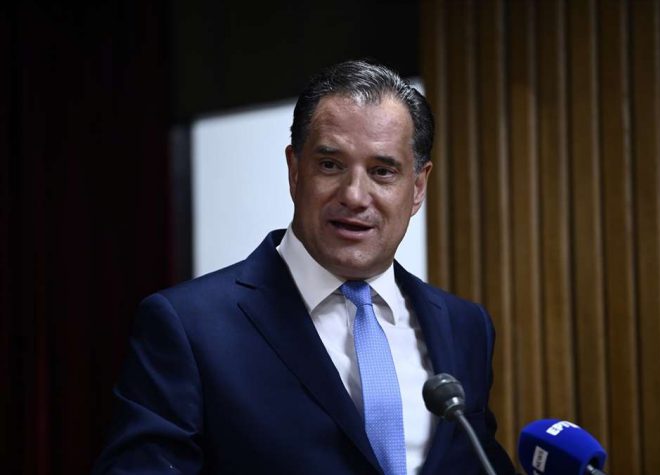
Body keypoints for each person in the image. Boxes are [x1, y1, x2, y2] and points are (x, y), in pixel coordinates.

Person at [93, 60, 515, 474]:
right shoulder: (189, 326)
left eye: (382, 171)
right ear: (295, 171)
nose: (354, 195)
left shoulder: (465, 328)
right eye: (330, 165)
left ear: (418, 186)